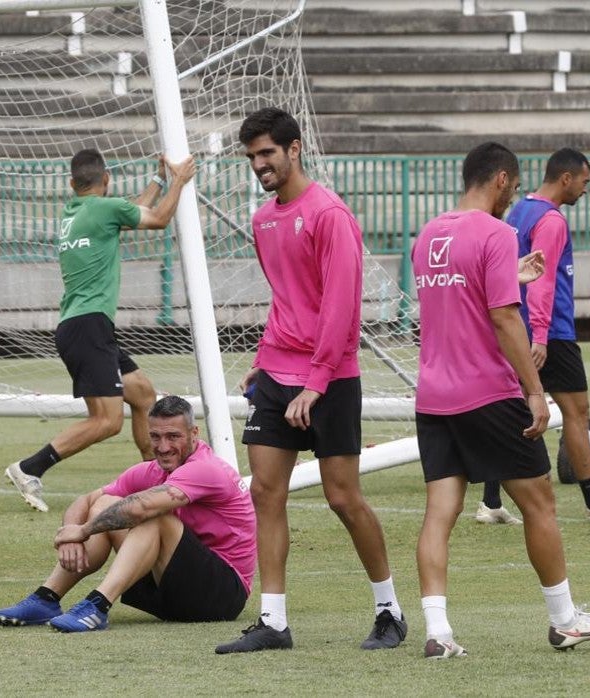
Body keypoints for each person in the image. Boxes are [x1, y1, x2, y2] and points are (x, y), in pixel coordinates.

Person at [411, 141, 590, 658]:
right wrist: (533, 391)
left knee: (440, 511)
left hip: (434, 395)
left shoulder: (428, 234)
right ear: (503, 179)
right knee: (539, 503)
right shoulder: (495, 232)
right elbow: (505, 318)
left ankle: (437, 633)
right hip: (488, 392)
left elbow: (458, 298)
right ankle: (565, 620)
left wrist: (512, 273)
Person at [215, 107, 407, 654]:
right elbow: (287, 297)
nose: (259, 165)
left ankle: (390, 612)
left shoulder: (330, 215)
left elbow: (343, 307)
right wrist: (263, 356)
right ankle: (273, 622)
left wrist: (317, 382)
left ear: (294, 149)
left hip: (330, 377)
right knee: (265, 492)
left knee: (343, 497)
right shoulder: (262, 220)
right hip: (277, 372)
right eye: (251, 156)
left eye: (267, 153)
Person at [4, 149, 196, 512]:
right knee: (107, 422)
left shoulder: (77, 211)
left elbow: (133, 211)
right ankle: (30, 468)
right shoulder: (104, 210)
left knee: (142, 395)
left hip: (84, 326)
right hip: (88, 326)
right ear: (106, 179)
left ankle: (154, 476)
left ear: (71, 183)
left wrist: (158, 180)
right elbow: (156, 219)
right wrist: (179, 182)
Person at [476, 148, 590, 525]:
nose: (586, 189)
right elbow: (543, 280)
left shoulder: (519, 210)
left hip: (518, 324)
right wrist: (541, 335)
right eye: (585, 181)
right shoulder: (551, 221)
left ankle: (490, 502)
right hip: (551, 331)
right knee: (576, 412)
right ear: (566, 178)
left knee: (515, 409)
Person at [0, 395, 255, 632]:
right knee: (105, 503)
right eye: (155, 437)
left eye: (173, 436)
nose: (163, 446)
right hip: (171, 591)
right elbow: (85, 500)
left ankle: (98, 605)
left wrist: (83, 530)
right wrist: (69, 536)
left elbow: (142, 508)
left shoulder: (206, 469)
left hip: (221, 597)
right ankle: (46, 598)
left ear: (194, 433)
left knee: (152, 515)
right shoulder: (151, 470)